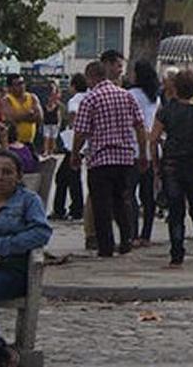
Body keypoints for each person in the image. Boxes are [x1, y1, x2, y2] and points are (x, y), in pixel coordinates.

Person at [72, 60, 147, 257]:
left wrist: (74, 155)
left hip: (100, 159)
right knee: (122, 200)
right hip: (124, 158)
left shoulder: (90, 99)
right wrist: (142, 153)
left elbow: (80, 132)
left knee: (101, 204)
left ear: (91, 77)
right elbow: (140, 126)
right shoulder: (127, 96)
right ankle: (126, 240)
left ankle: (106, 246)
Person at [148, 70, 193, 269]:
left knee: (176, 211)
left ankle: (176, 255)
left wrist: (155, 165)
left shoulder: (166, 111)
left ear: (175, 88)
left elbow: (153, 139)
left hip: (172, 166)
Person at [0, 149, 52, 367]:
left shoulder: (28, 200)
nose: (0, 177)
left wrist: (2, 246)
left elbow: (41, 232)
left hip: (12, 268)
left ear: (18, 176)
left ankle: (2, 355)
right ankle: (0, 348)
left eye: (7, 172)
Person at [126, 60, 161, 247]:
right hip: (151, 148)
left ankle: (132, 232)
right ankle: (146, 234)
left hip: (133, 148)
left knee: (130, 193)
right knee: (148, 196)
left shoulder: (130, 95)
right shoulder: (155, 98)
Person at [52, 73, 86, 221]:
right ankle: (72, 208)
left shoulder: (75, 99)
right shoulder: (89, 96)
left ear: (73, 86)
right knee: (70, 176)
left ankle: (67, 209)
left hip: (74, 143)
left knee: (65, 176)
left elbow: (74, 118)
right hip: (86, 143)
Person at [1, 74, 41, 156]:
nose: (22, 86)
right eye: (18, 84)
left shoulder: (32, 97)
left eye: (22, 83)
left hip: (29, 142)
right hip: (13, 144)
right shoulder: (6, 100)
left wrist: (20, 117)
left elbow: (39, 117)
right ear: (10, 87)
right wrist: (29, 114)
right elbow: (11, 118)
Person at [41, 82, 62, 158]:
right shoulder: (45, 97)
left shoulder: (57, 102)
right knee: (46, 137)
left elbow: (59, 114)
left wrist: (59, 123)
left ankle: (51, 151)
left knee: (53, 138)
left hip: (54, 122)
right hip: (47, 121)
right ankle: (46, 151)